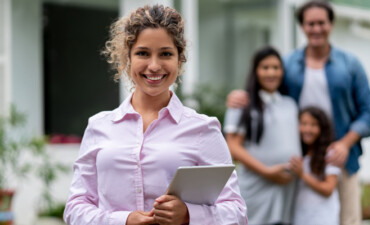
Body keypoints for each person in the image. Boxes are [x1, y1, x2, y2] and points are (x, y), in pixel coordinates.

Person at [63, 5, 247, 225]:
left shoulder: (203, 129)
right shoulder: (99, 126)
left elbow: (237, 212)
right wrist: (124, 220)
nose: (154, 65)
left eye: (166, 54)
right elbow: (75, 209)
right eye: (142, 53)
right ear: (127, 58)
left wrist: (189, 215)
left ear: (180, 59)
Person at [226, 1, 370, 224]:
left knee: (348, 219)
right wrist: (238, 95)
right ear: (302, 27)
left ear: (331, 24)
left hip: (339, 159)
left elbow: (368, 112)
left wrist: (345, 144)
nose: (316, 29)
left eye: (321, 23)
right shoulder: (288, 64)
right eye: (310, 23)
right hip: (300, 164)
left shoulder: (350, 64)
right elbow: (266, 87)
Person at [224, 46, 301, 225]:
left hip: (286, 187)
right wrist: (267, 171)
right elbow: (233, 146)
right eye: (265, 67)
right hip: (256, 186)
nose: (271, 72)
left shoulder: (290, 104)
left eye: (276, 67)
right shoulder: (243, 102)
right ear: (256, 71)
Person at [290, 107, 341, 225]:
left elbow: (328, 189)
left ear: (322, 128)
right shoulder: (298, 152)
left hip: (323, 217)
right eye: (304, 124)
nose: (307, 129)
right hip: (301, 216)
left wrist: (302, 174)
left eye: (313, 125)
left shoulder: (330, 153)